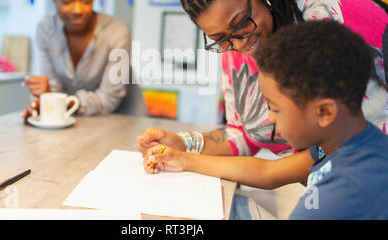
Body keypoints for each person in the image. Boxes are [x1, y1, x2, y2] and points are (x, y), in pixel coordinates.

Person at [138, 0, 387, 189]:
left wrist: (188, 160)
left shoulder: (323, 15)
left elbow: (346, 137)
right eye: (220, 38)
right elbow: (242, 135)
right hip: (332, 188)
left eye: (240, 23)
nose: (238, 42)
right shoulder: (234, 47)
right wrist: (185, 143)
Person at [144, 21, 388, 219]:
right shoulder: (350, 142)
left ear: (325, 113)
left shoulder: (340, 193)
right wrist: (182, 158)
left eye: (275, 108)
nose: (270, 118)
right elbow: (266, 171)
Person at [22, 0, 131, 120]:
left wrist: (56, 102)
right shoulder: (46, 29)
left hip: (112, 119)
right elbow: (50, 88)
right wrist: (43, 101)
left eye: (86, 1)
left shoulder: (117, 33)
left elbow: (109, 98)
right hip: (67, 120)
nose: (77, 10)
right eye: (66, 1)